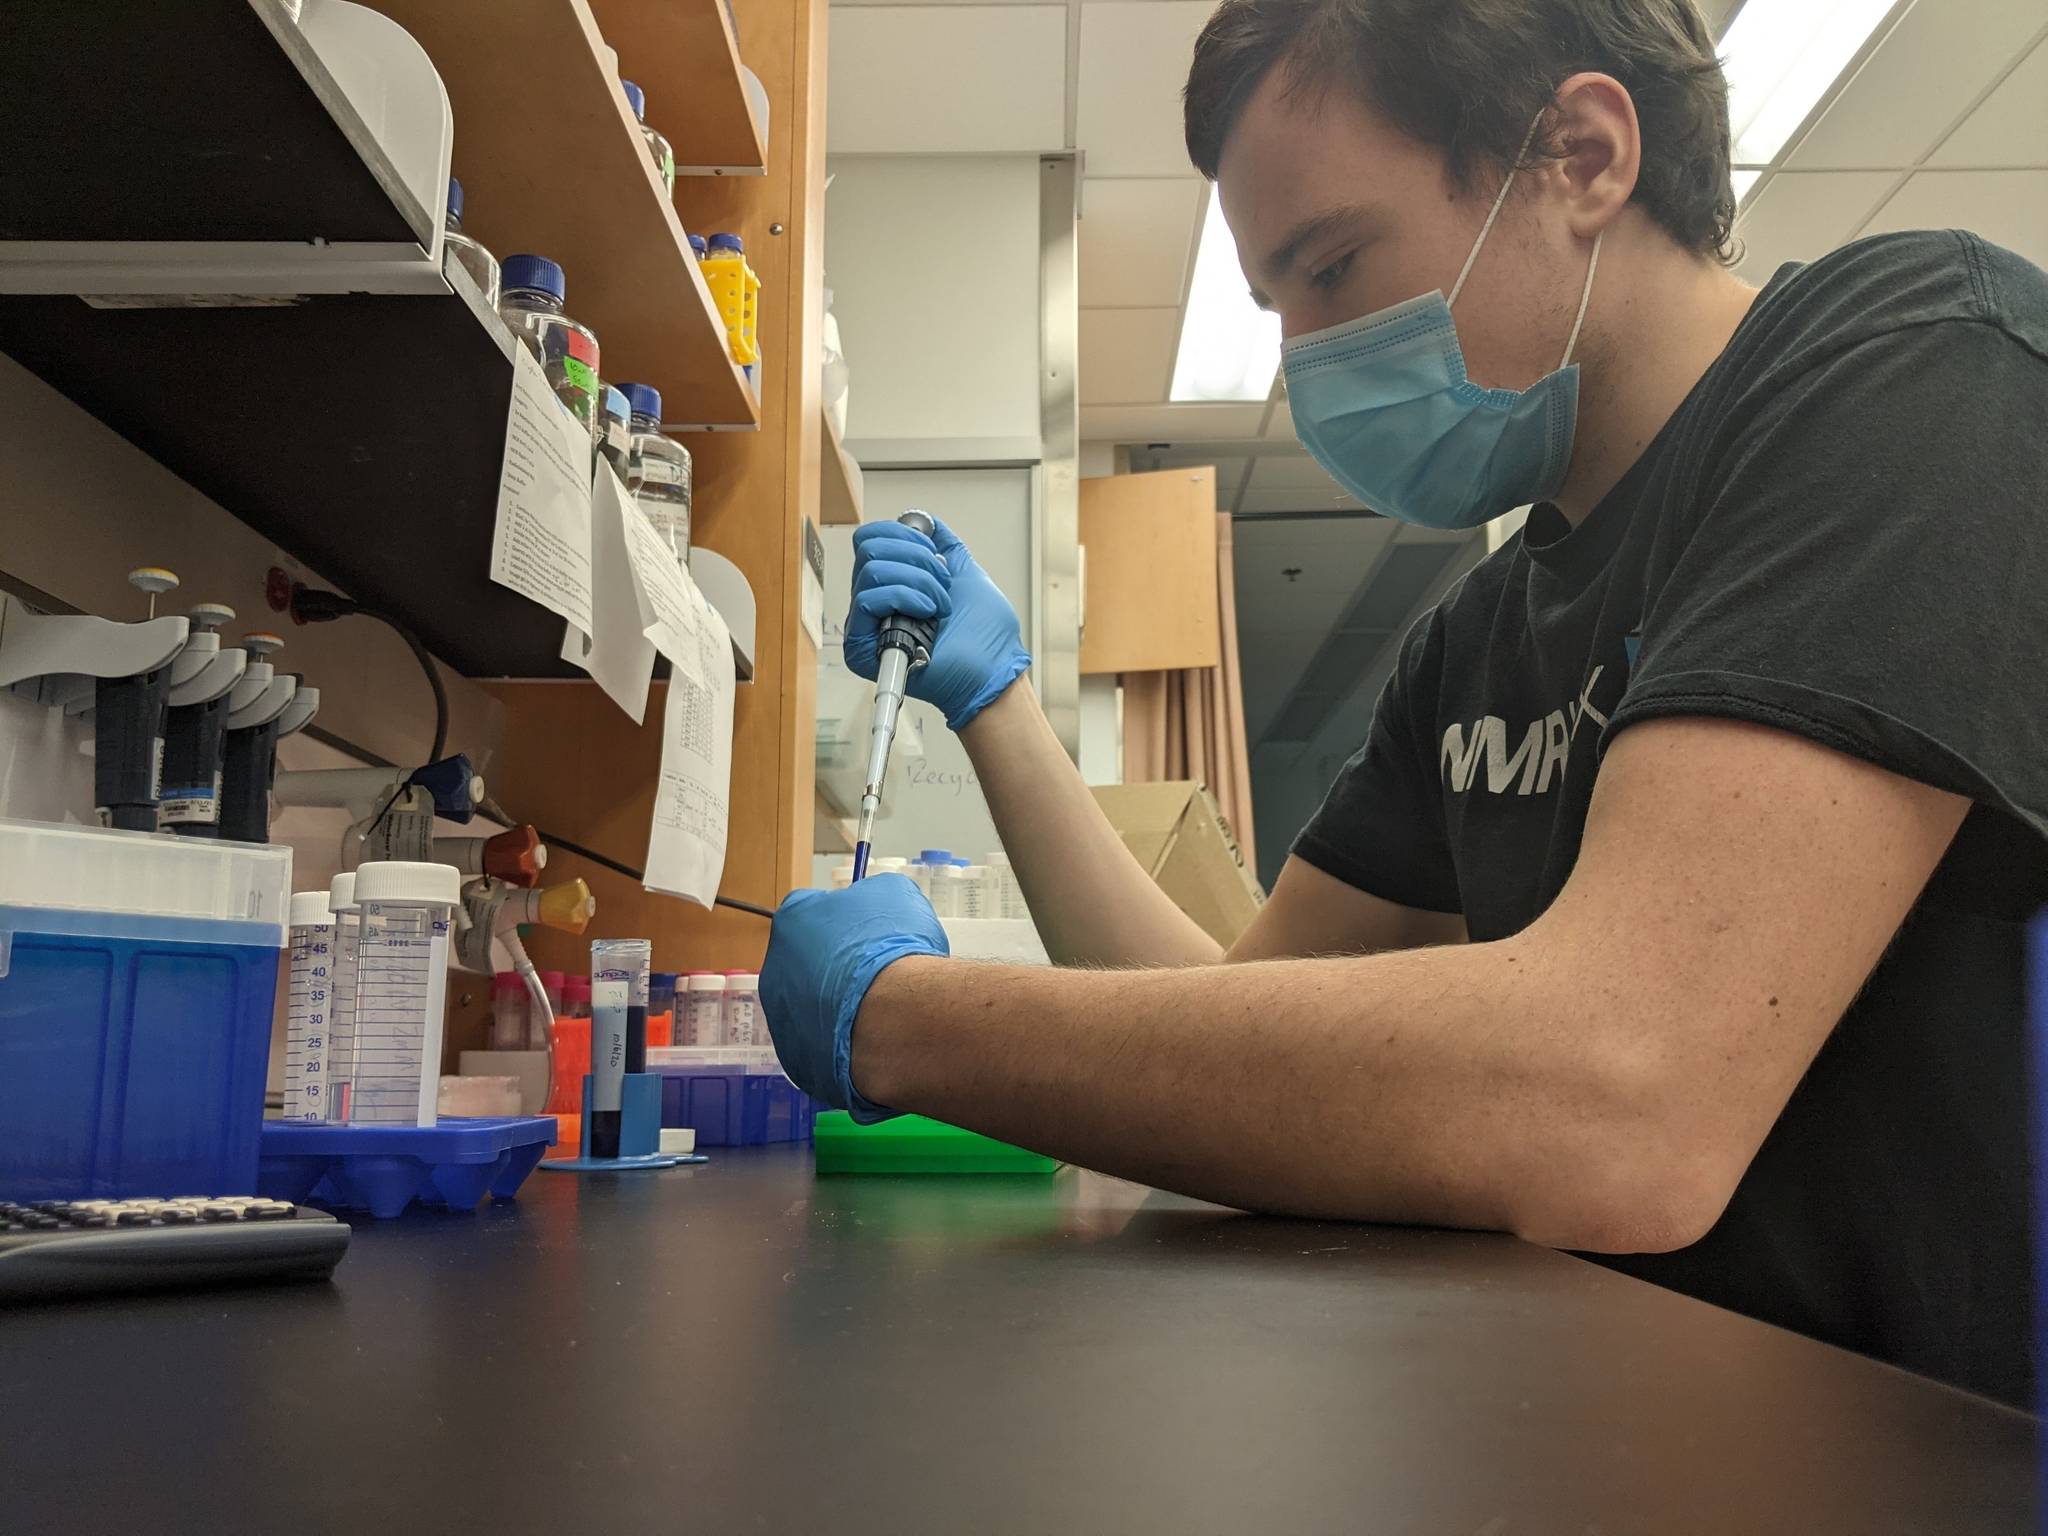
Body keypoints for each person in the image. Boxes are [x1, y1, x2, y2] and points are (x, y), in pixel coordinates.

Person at [762, 0, 2048, 1406]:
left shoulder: (1918, 365)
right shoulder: (1476, 644)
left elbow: (1619, 1096)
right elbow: (1231, 1034)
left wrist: (908, 1021)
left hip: (1914, 1463)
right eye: (1275, 307)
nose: (1304, 359)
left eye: (1331, 266)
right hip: (1597, 1440)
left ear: (1580, 154)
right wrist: (1000, 709)